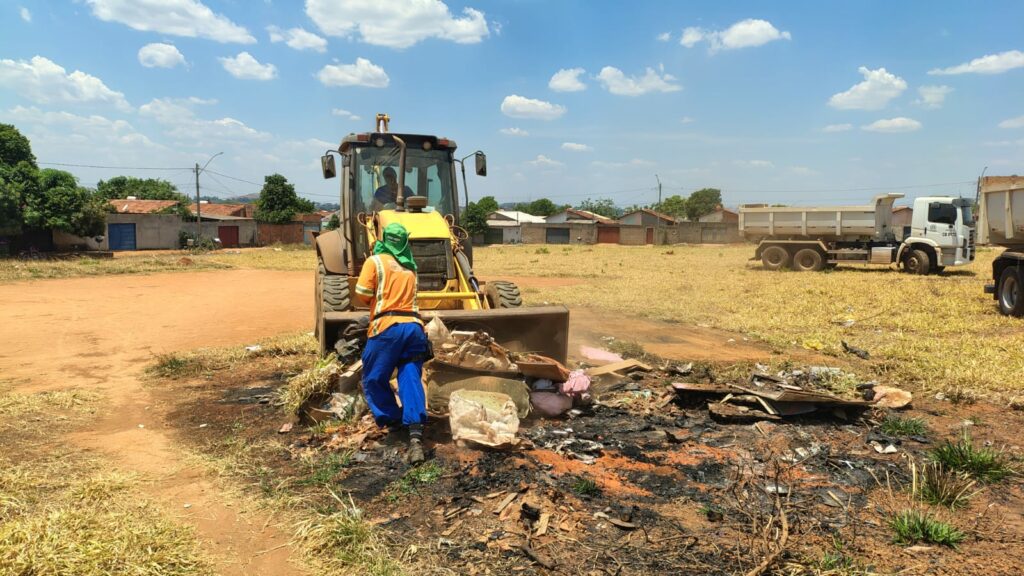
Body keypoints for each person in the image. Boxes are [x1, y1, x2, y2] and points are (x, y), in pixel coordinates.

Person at [353, 222, 430, 463]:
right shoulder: (411, 267)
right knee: (409, 376)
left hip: (387, 328)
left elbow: (363, 294)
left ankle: (393, 421)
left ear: (384, 239)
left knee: (373, 378)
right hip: (415, 328)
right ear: (405, 242)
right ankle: (416, 434)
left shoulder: (375, 261)